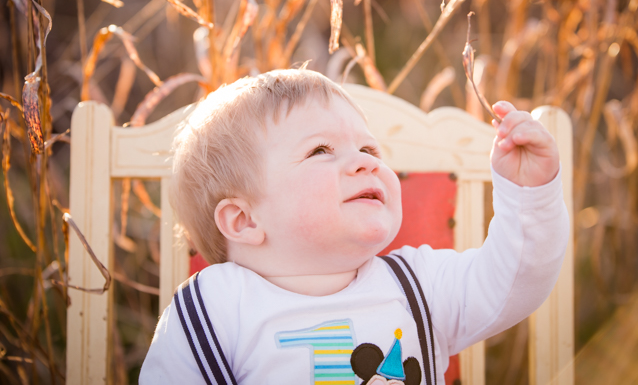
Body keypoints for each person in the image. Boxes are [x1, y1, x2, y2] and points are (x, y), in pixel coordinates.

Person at [140, 69, 569, 385]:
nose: (367, 161)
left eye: (368, 147)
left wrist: (530, 193)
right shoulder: (211, 310)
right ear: (245, 220)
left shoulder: (416, 284)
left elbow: (514, 277)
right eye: (321, 150)